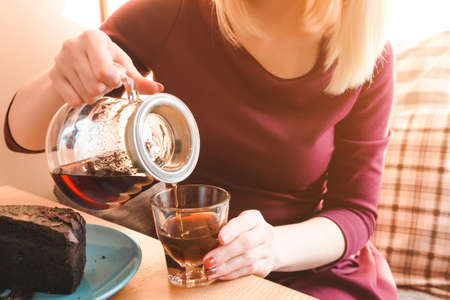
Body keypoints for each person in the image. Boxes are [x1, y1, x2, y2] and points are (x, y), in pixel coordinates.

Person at [4, 0, 397, 298]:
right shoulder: (178, 9)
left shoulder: (369, 54)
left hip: (306, 263)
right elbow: (18, 135)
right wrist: (64, 75)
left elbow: (355, 213)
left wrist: (273, 248)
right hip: (191, 259)